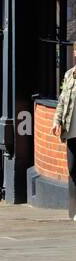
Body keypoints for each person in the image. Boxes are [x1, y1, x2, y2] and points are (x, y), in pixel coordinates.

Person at [51, 63, 76, 220]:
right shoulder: (69, 75)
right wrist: (56, 121)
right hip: (71, 132)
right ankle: (74, 210)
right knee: (73, 169)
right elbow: (61, 101)